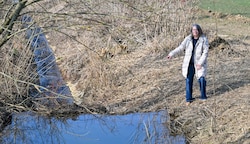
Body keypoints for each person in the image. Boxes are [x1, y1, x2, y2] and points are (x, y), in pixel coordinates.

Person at [167, 24, 209, 106]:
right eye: (193, 30)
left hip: (199, 63)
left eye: (196, 30)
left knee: (202, 79)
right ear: (191, 31)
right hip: (189, 64)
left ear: (199, 30)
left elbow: (205, 52)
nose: (195, 31)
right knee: (188, 80)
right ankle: (188, 98)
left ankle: (203, 96)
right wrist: (171, 54)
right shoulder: (188, 39)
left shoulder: (204, 39)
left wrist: (200, 63)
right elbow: (180, 48)